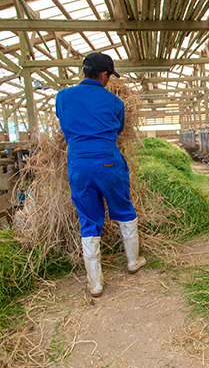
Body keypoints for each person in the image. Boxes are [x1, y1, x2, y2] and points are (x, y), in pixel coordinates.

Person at [55, 52, 146, 297]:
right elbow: (117, 129)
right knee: (124, 209)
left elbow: (64, 124)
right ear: (104, 75)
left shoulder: (62, 97)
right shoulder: (114, 102)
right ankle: (132, 262)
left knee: (88, 217)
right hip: (107, 162)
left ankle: (95, 283)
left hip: (78, 165)